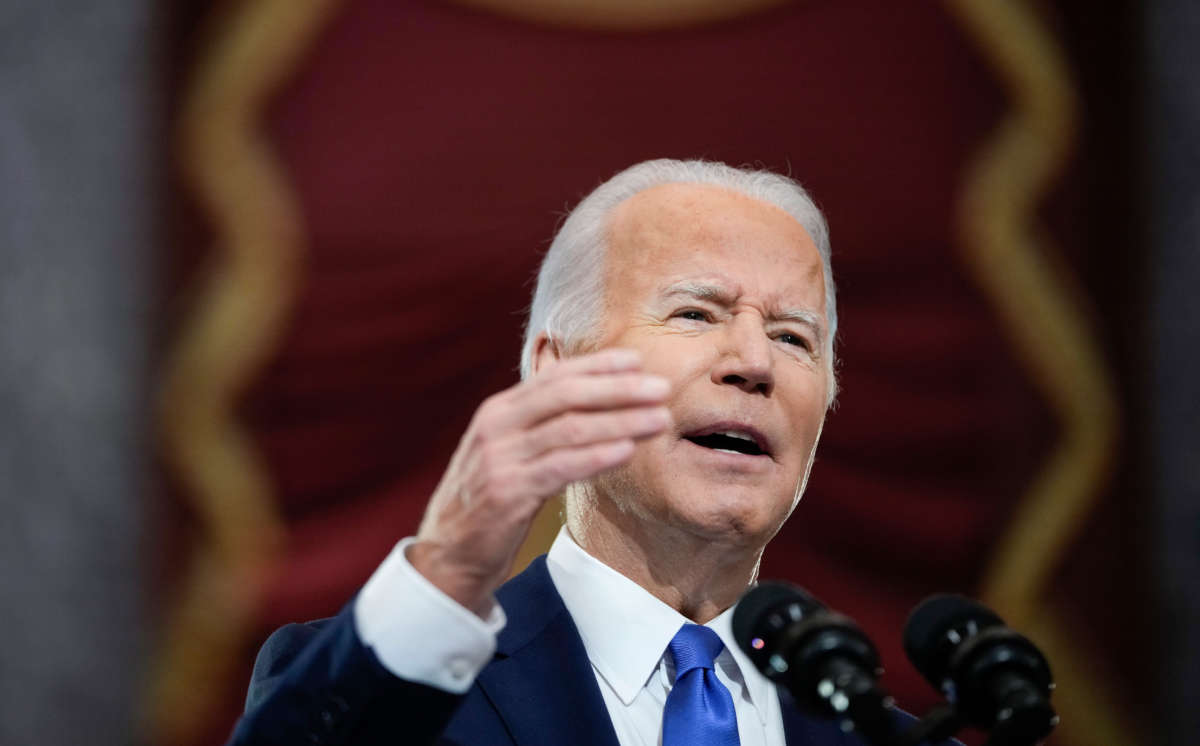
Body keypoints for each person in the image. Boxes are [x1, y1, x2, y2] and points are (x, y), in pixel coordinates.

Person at [229, 159, 950, 746]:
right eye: (696, 313)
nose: (754, 362)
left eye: (795, 337)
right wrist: (447, 569)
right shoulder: (393, 694)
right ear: (557, 370)